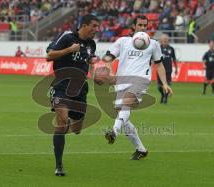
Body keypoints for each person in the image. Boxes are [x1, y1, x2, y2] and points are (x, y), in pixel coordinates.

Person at [102, 15, 173, 160]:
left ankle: (114, 132)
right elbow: (108, 57)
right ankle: (141, 149)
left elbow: (159, 64)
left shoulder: (153, 44)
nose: (143, 28)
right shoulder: (123, 41)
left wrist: (165, 83)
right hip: (122, 81)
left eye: (145, 25)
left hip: (141, 80)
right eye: (140, 25)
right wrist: (110, 72)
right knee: (124, 116)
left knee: (125, 105)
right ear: (133, 26)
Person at [46, 14, 99, 176]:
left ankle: (70, 120)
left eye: (98, 27)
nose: (96, 30)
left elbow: (88, 61)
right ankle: (59, 166)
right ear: (84, 25)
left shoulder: (91, 44)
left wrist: (94, 72)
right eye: (94, 26)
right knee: (61, 121)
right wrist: (69, 50)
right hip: (61, 85)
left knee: (76, 129)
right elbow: (49, 56)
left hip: (80, 88)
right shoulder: (67, 37)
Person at [157, 33, 177, 104]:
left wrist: (176, 68)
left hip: (168, 70)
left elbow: (174, 59)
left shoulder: (171, 49)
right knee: (159, 86)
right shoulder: (158, 48)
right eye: (164, 39)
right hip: (160, 70)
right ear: (161, 40)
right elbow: (154, 59)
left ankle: (165, 97)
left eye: (166, 39)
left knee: (167, 84)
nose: (165, 40)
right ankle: (162, 95)